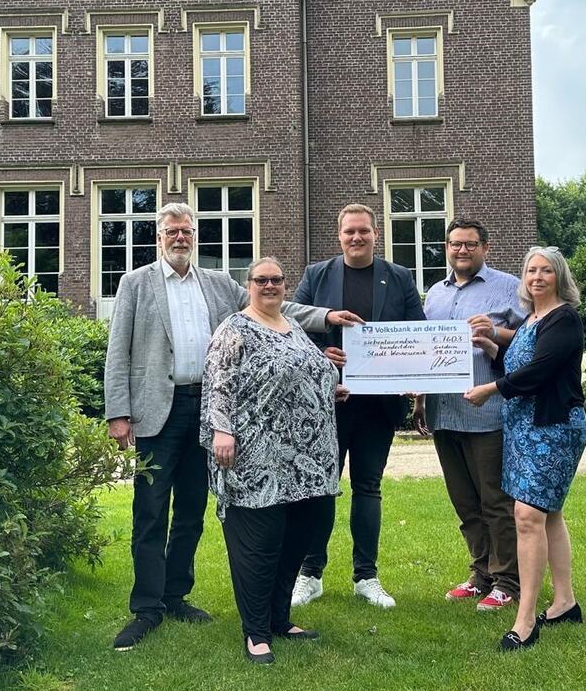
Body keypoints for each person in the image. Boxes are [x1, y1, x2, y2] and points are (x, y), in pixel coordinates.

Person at [104, 202, 361, 651]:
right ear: (158, 237)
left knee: (190, 511)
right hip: (156, 411)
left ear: (195, 235)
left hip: (209, 409)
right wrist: (117, 413)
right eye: (171, 231)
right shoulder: (135, 284)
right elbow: (117, 351)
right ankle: (147, 607)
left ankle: (175, 595)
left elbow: (273, 304)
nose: (179, 238)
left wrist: (326, 317)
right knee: (149, 511)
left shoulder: (218, 282)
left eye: (186, 231)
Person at [202, 257, 347, 663]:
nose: (270, 286)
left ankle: (279, 619)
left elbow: (298, 372)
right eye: (262, 280)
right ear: (248, 285)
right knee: (260, 544)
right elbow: (219, 383)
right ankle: (255, 631)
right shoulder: (235, 328)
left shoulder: (293, 325)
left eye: (277, 280)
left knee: (297, 538)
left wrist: (325, 389)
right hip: (257, 457)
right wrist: (221, 430)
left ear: (286, 285)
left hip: (306, 460)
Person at [291, 203, 425, 610]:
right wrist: (322, 358)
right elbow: (290, 329)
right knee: (321, 490)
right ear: (339, 235)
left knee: (368, 488)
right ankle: (309, 575)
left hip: (377, 408)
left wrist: (413, 382)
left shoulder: (399, 278)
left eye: (363, 231)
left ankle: (366, 576)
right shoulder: (317, 275)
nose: (356, 238)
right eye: (349, 231)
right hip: (327, 405)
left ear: (375, 234)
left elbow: (417, 335)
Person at [464, 246, 586, 651]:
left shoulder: (563, 318)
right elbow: (519, 365)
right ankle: (565, 602)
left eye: (546, 271)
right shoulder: (533, 319)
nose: (537, 277)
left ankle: (525, 620)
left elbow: (539, 372)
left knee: (526, 514)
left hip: (553, 426)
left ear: (560, 278)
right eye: (531, 270)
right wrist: (492, 351)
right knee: (548, 513)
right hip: (524, 427)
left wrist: (490, 388)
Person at [414, 219, 525, 611]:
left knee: (495, 502)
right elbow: (425, 352)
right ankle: (481, 575)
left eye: (471, 245)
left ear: (485, 248)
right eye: (455, 244)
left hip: (487, 413)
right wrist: (421, 399)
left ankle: (508, 581)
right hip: (445, 412)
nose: (462, 251)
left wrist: (497, 333)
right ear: (446, 247)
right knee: (465, 504)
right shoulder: (435, 295)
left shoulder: (509, 286)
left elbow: (534, 339)